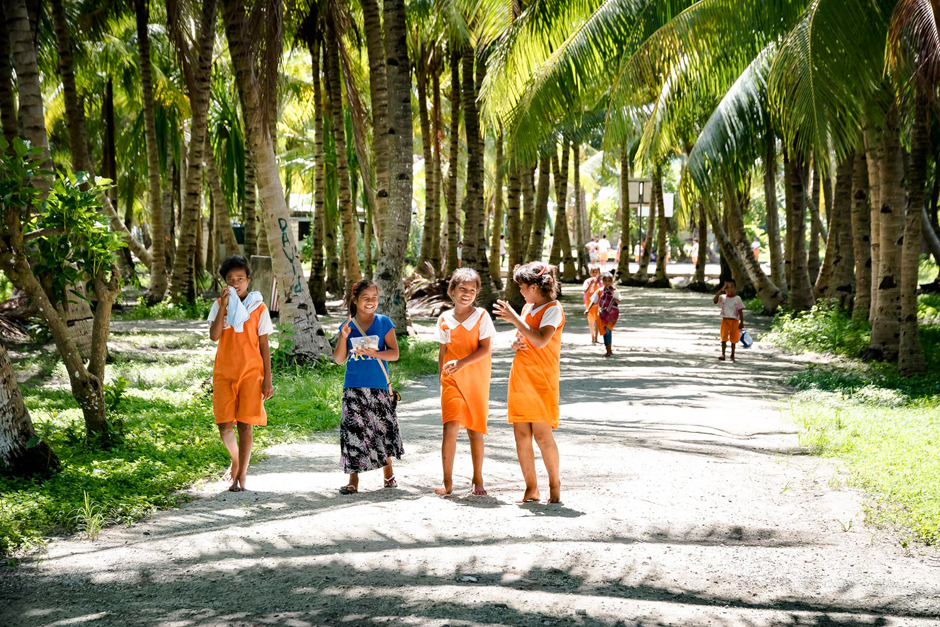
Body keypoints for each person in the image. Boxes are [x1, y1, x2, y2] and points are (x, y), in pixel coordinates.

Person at [493, 262, 565, 504]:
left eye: (522, 287)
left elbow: (542, 340)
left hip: (542, 378)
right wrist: (515, 343)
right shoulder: (527, 308)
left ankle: (554, 485)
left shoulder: (553, 309)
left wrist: (514, 319)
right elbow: (522, 337)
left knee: (543, 435)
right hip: (521, 375)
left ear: (536, 286)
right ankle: (531, 488)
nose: (521, 292)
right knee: (521, 434)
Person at [208, 255, 274, 492]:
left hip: (251, 373)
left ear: (248, 280)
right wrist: (224, 307)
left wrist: (268, 378)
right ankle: (235, 460)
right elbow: (214, 336)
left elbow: (264, 344)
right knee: (224, 426)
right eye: (230, 279)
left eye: (240, 279)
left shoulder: (259, 307)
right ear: (224, 282)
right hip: (224, 372)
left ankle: (241, 476)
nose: (236, 283)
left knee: (246, 425)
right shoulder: (218, 305)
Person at [333, 279, 404, 494]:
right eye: (365, 298)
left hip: (379, 386)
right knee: (352, 432)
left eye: (374, 298)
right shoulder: (347, 326)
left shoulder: (384, 322)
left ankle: (388, 475)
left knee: (381, 430)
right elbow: (338, 359)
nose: (370, 302)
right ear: (355, 300)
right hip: (353, 386)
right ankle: (353, 480)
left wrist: (375, 353)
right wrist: (344, 336)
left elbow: (394, 353)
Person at [433, 268, 496, 496]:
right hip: (451, 381)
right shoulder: (443, 319)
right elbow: (443, 351)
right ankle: (447, 483)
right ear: (452, 291)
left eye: (472, 290)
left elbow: (485, 349)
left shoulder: (482, 316)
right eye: (462, 289)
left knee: (474, 430)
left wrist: (462, 363)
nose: (467, 293)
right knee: (449, 427)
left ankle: (477, 478)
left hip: (476, 380)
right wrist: (442, 374)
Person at [586, 272, 621, 357]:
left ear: (612, 281)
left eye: (609, 281)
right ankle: (607, 349)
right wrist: (588, 309)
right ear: (603, 281)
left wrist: (613, 297)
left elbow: (618, 301)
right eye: (605, 281)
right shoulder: (600, 291)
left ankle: (609, 351)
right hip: (601, 314)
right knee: (604, 332)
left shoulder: (615, 291)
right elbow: (593, 300)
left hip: (611, 315)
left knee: (608, 331)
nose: (607, 282)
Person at [713, 279, 745, 362]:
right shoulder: (722, 297)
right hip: (725, 320)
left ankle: (732, 355)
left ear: (734, 288)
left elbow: (740, 310)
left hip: (734, 321)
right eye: (727, 287)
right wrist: (721, 290)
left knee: (733, 339)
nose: (729, 289)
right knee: (723, 338)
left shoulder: (737, 298)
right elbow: (714, 300)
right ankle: (723, 354)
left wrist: (741, 322)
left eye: (731, 287)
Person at [582, 266, 602, 344]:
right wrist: (591, 284)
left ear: (599, 273)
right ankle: (592, 336)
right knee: (591, 320)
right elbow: (585, 292)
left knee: (597, 320)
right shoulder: (587, 282)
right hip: (589, 302)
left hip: (598, 303)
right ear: (590, 273)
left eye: (596, 272)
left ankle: (596, 337)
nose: (595, 274)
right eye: (593, 272)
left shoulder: (601, 282)